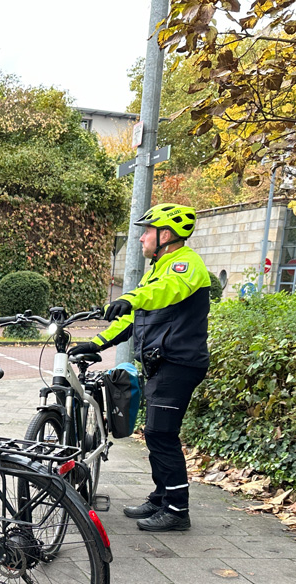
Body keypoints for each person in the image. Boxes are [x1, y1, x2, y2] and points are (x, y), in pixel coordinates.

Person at [79, 203, 211, 533]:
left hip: (179, 364)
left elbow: (163, 292)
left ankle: (178, 510)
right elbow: (134, 317)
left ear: (166, 235)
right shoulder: (159, 267)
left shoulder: (184, 265)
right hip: (163, 363)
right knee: (155, 432)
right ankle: (162, 496)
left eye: (147, 231)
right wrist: (97, 343)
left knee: (161, 433)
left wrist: (133, 298)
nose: (141, 238)